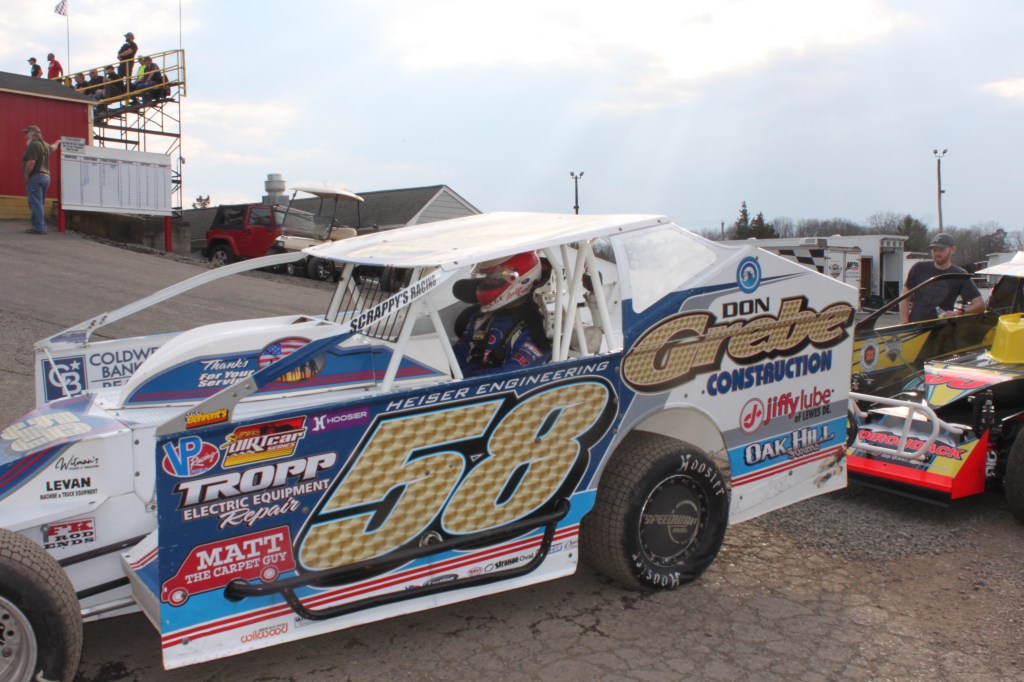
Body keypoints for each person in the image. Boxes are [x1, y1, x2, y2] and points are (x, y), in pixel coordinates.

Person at [452, 252, 551, 376]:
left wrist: (464, 380)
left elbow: (511, 376)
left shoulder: (534, 328)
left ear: (522, 279)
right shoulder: (482, 317)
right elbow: (457, 355)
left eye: (495, 277)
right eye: (487, 276)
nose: (487, 281)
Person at [899, 233, 985, 323]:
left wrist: (959, 312)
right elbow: (904, 297)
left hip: (942, 331)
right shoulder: (919, 268)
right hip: (916, 330)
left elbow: (980, 305)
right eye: (934, 250)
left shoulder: (960, 275)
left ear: (953, 250)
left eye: (941, 250)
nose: (937, 253)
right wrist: (905, 324)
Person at [21, 125, 61, 235]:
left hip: (36, 177)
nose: (25, 135)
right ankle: (40, 226)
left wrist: (26, 175)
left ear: (32, 133)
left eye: (27, 133)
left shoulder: (33, 145)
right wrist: (57, 143)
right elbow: (53, 147)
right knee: (39, 203)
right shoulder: (44, 145)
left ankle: (39, 227)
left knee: (35, 203)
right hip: (46, 177)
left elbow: (31, 162)